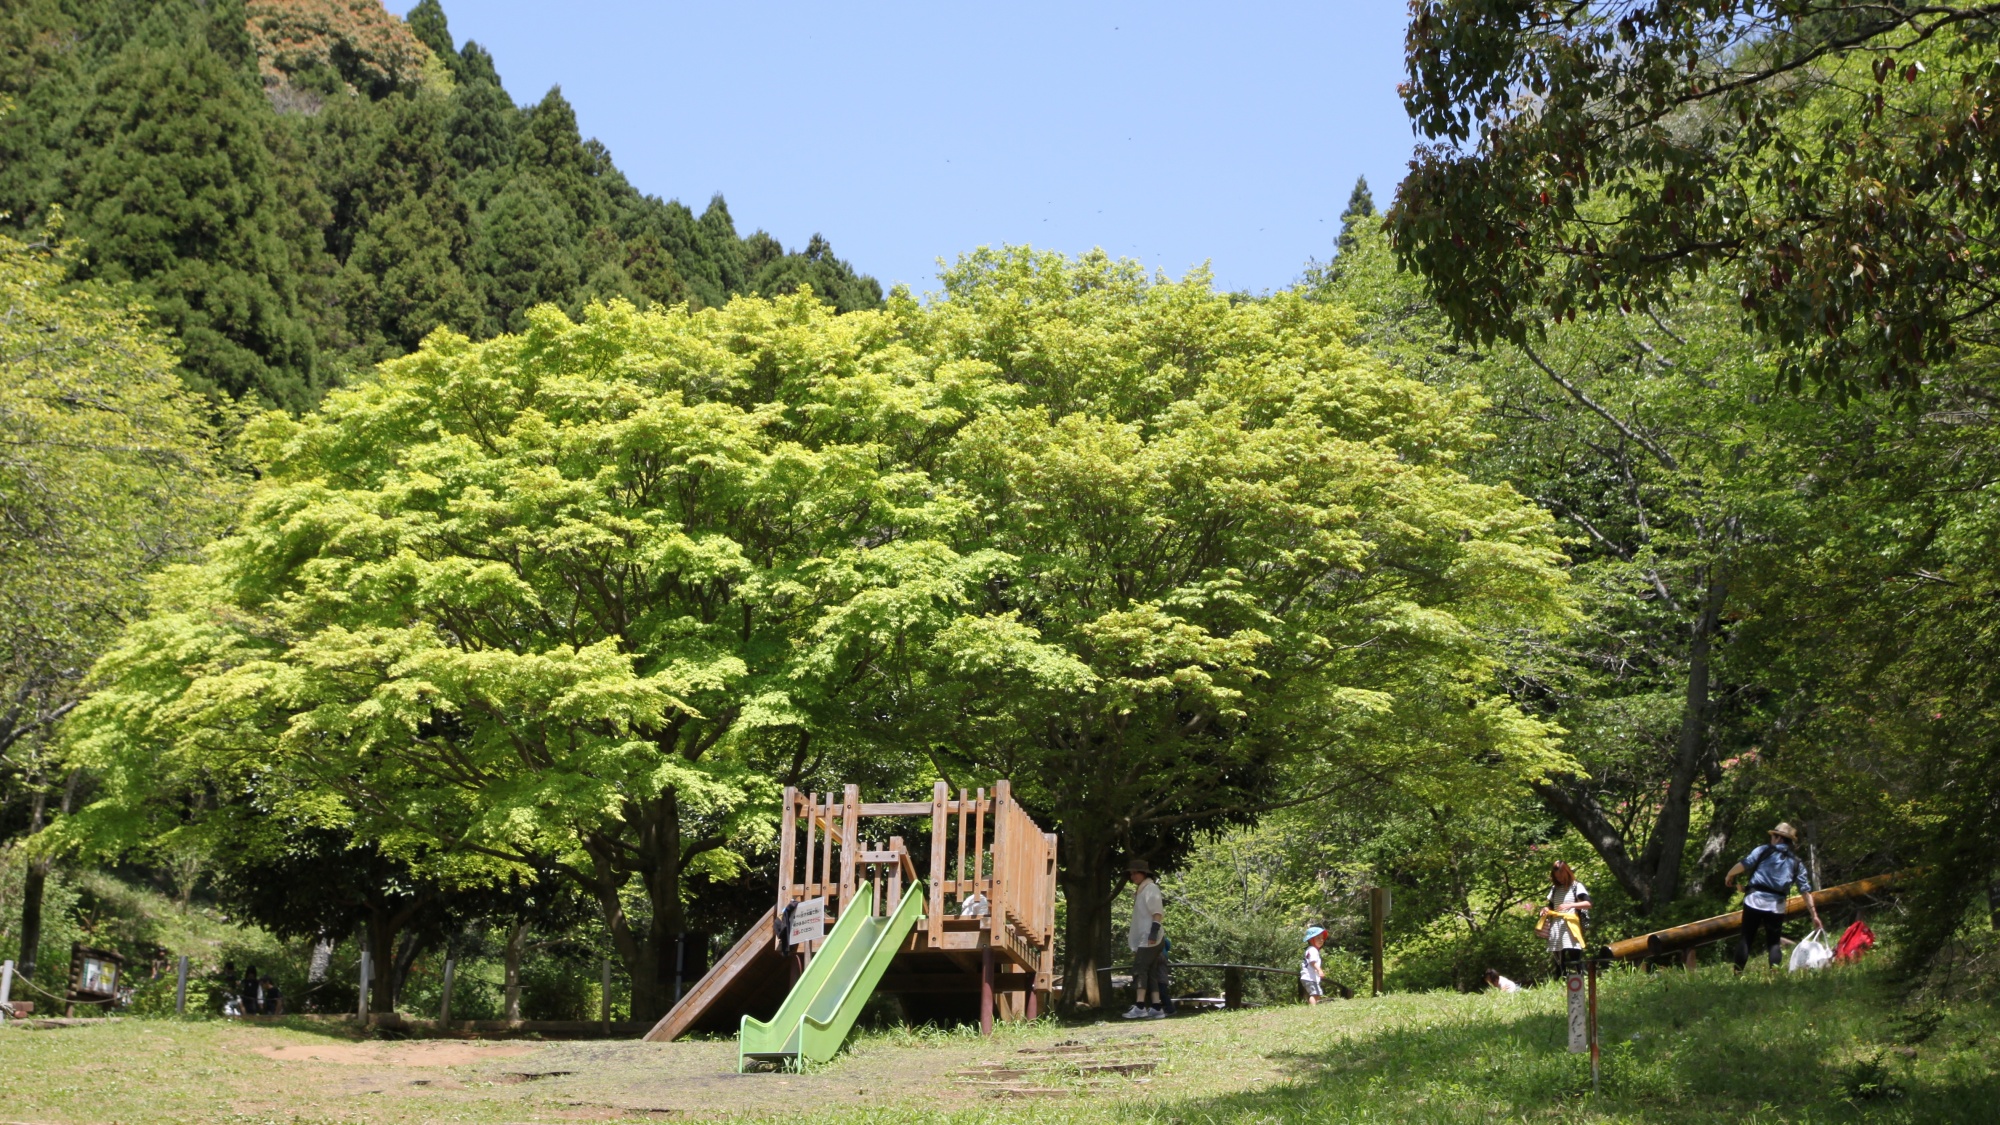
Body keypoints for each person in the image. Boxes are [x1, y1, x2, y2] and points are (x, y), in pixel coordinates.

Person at [1726, 821, 1821, 971]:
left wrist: (1729, 875)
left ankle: (1737, 974)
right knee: (1774, 943)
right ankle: (1774, 974)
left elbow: (1745, 864)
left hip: (1754, 901)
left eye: (1773, 836)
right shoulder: (1797, 863)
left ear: (1778, 838)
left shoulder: (1764, 850)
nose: (1771, 839)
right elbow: (1805, 891)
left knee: (1746, 938)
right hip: (1776, 906)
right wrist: (1814, 915)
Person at [1122, 857, 1167, 1020]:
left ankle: (1140, 1006)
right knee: (1151, 972)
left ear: (1143, 873)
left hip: (1149, 937)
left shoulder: (1150, 888)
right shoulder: (1143, 889)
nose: (1133, 876)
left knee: (1140, 969)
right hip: (1146, 937)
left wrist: (1153, 933)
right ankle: (1156, 1006)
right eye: (1131, 874)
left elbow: (1157, 912)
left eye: (1135, 873)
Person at [1538, 861, 1590, 978]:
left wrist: (1570, 905)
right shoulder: (1555, 889)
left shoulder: (1576, 886)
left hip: (1570, 925)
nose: (1560, 879)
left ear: (1567, 873)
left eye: (1562, 876)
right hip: (1556, 925)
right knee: (1558, 958)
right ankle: (1561, 980)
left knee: (1574, 955)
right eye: (1557, 877)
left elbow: (1588, 903)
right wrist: (1545, 909)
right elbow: (1551, 905)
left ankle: (1580, 980)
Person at [1300, 926, 1327, 1005]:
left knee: (1317, 993)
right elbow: (1313, 962)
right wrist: (1319, 970)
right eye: (1318, 938)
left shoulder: (1311, 949)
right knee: (1315, 993)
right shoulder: (1313, 950)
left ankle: (1312, 1005)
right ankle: (1313, 1008)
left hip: (1309, 977)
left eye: (1322, 938)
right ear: (1311, 940)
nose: (1321, 940)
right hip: (1309, 977)